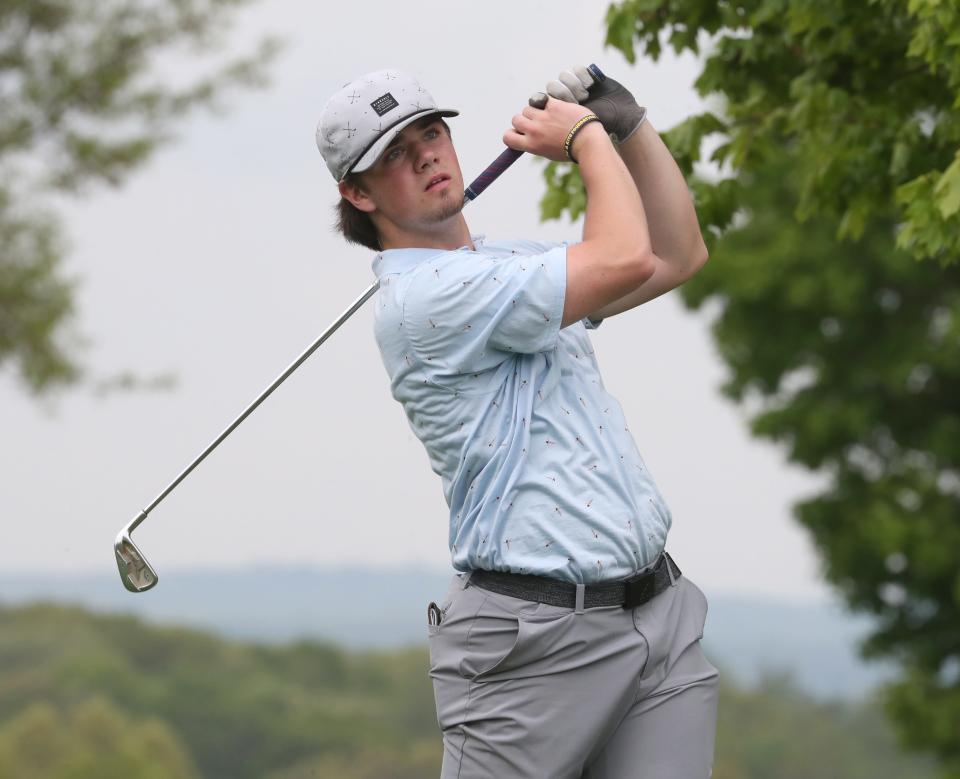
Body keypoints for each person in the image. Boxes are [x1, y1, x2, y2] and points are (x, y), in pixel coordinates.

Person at [317, 66, 720, 778]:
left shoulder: (510, 263)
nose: (426, 156)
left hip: (656, 614)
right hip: (529, 645)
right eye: (395, 155)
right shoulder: (421, 301)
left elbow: (676, 254)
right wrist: (587, 138)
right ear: (358, 192)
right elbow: (622, 256)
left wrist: (630, 127)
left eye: (431, 133)